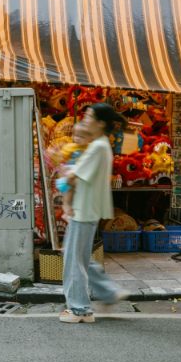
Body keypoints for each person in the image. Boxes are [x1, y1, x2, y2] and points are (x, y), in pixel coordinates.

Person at [60, 103, 129, 324]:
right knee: (78, 257)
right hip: (85, 209)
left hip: (84, 210)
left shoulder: (98, 147)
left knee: (74, 261)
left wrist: (61, 183)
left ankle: (80, 310)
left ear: (100, 123)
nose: (85, 119)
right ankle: (108, 292)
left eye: (89, 116)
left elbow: (74, 176)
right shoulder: (101, 144)